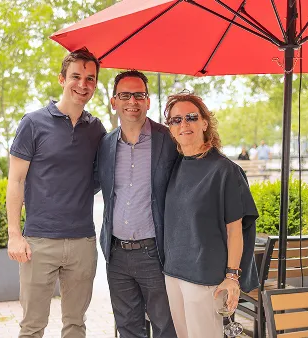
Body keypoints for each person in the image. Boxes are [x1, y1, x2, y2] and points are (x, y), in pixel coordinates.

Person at [7, 48, 106, 338]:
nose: (83, 84)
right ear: (62, 79)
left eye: (90, 78)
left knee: (76, 326)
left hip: (83, 243)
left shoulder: (96, 129)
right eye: (76, 76)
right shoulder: (33, 123)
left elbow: (97, 179)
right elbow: (15, 181)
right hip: (38, 242)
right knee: (32, 326)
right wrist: (15, 234)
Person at [162, 91, 259, 338]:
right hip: (173, 274)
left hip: (206, 279)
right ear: (170, 129)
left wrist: (232, 277)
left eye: (191, 117)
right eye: (176, 120)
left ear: (204, 122)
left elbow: (236, 230)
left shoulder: (225, 171)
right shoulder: (175, 166)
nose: (183, 124)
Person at [96, 70, 178, 338]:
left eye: (139, 94)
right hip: (116, 254)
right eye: (125, 95)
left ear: (148, 100)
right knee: (128, 328)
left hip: (155, 252)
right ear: (114, 101)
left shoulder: (168, 140)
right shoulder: (105, 144)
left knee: (166, 327)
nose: (132, 101)